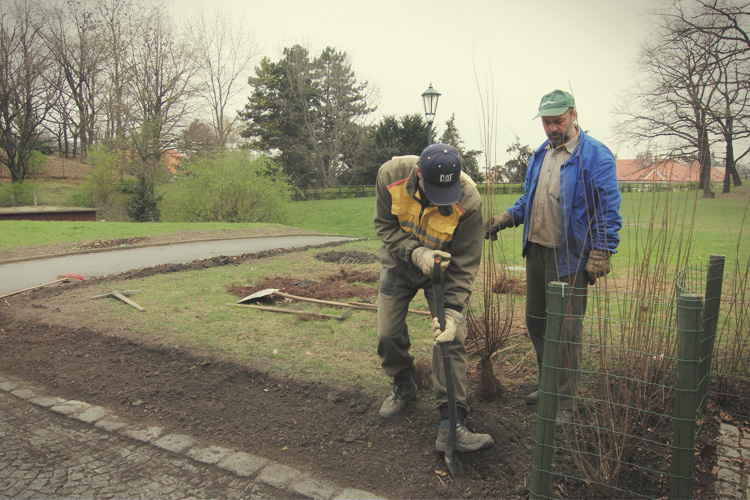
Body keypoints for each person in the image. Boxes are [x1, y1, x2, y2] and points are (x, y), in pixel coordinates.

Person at [485, 89, 622, 427]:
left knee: (566, 331)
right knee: (538, 323)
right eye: (546, 122)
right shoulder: (541, 154)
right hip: (536, 252)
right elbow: (530, 199)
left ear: (574, 115)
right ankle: (549, 386)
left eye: (558, 121)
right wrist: (507, 217)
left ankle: (565, 400)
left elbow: (608, 209)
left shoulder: (596, 156)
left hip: (569, 258)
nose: (551, 128)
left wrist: (602, 250)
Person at [374, 143, 493, 453]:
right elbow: (385, 226)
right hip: (400, 263)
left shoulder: (469, 200)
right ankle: (404, 383)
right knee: (387, 333)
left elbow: (466, 261)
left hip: (443, 269)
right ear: (418, 174)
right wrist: (416, 252)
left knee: (450, 338)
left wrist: (452, 313)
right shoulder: (390, 175)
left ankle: (451, 421)